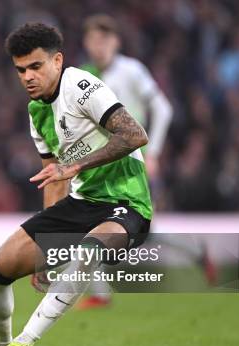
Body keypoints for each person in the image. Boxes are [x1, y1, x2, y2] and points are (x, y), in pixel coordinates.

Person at [0, 22, 152, 346]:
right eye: (21, 70)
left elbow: (135, 134)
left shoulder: (82, 86)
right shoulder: (36, 111)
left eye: (36, 66)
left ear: (57, 60)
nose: (27, 76)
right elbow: (52, 179)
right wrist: (48, 249)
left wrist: (77, 166)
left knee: (88, 252)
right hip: (81, 204)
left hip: (127, 204)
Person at [75, 14, 174, 309]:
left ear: (116, 42)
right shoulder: (86, 75)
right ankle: (100, 293)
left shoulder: (131, 70)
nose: (99, 45)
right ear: (86, 43)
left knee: (137, 231)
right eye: (94, 39)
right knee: (100, 223)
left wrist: (153, 152)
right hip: (105, 163)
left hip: (133, 161)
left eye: (105, 39)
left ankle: (196, 251)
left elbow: (163, 108)